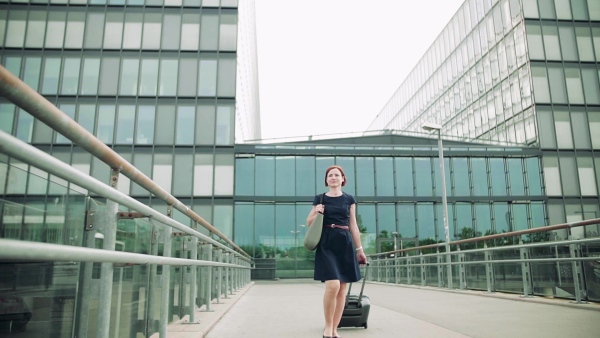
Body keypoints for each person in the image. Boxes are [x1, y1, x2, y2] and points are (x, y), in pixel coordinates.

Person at [306, 165, 367, 338]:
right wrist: (316, 212)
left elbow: (353, 225)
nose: (333, 177)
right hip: (326, 242)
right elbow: (309, 222)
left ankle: (334, 329)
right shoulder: (320, 198)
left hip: (345, 243)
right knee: (332, 285)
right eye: (330, 175)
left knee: (342, 289)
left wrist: (359, 249)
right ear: (326, 180)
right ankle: (327, 326)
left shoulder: (349, 199)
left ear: (342, 179)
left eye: (336, 175)